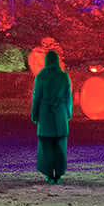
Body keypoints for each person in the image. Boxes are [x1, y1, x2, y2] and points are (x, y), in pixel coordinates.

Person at [30, 46, 73, 181]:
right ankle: (58, 174)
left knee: (46, 145)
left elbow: (36, 97)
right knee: (60, 145)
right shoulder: (64, 76)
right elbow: (68, 97)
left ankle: (49, 173)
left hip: (45, 114)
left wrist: (35, 114)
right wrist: (68, 113)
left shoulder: (41, 76)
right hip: (60, 114)